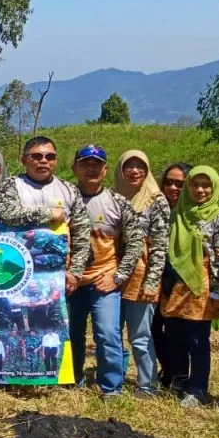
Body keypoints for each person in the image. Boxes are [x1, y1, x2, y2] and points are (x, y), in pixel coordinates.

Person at [69, 145, 142, 398]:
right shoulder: (64, 199)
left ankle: (111, 386)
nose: (91, 169)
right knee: (71, 333)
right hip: (70, 281)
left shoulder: (118, 203)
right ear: (74, 168)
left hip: (104, 279)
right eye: (85, 164)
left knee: (108, 333)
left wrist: (118, 277)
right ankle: (72, 379)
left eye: (96, 165)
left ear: (105, 170)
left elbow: (135, 243)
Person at [161, 166, 219, 407]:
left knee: (197, 339)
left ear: (214, 187)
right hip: (174, 282)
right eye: (195, 184)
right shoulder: (177, 213)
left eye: (206, 185)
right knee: (174, 334)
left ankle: (198, 388)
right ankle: (179, 380)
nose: (200, 190)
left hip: (201, 283)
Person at [0, 136, 91, 289]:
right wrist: (48, 214)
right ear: (24, 160)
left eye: (50, 157)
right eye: (37, 156)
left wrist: (75, 272)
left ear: (55, 161)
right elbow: (6, 214)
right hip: (19, 269)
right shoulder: (12, 185)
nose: (44, 161)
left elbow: (82, 233)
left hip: (59, 273)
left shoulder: (69, 190)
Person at [114, 150, 171, 397]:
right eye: (129, 166)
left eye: (140, 167)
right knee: (112, 332)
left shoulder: (156, 201)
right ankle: (114, 380)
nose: (135, 171)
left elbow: (160, 246)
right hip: (112, 274)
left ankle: (148, 385)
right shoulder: (113, 197)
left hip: (140, 276)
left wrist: (152, 281)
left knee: (140, 334)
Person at [153, 162, 191, 386]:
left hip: (182, 280)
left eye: (180, 183)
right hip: (156, 277)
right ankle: (168, 369)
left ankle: (179, 374)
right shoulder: (157, 208)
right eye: (169, 183)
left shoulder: (194, 213)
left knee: (178, 330)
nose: (173, 188)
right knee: (154, 327)